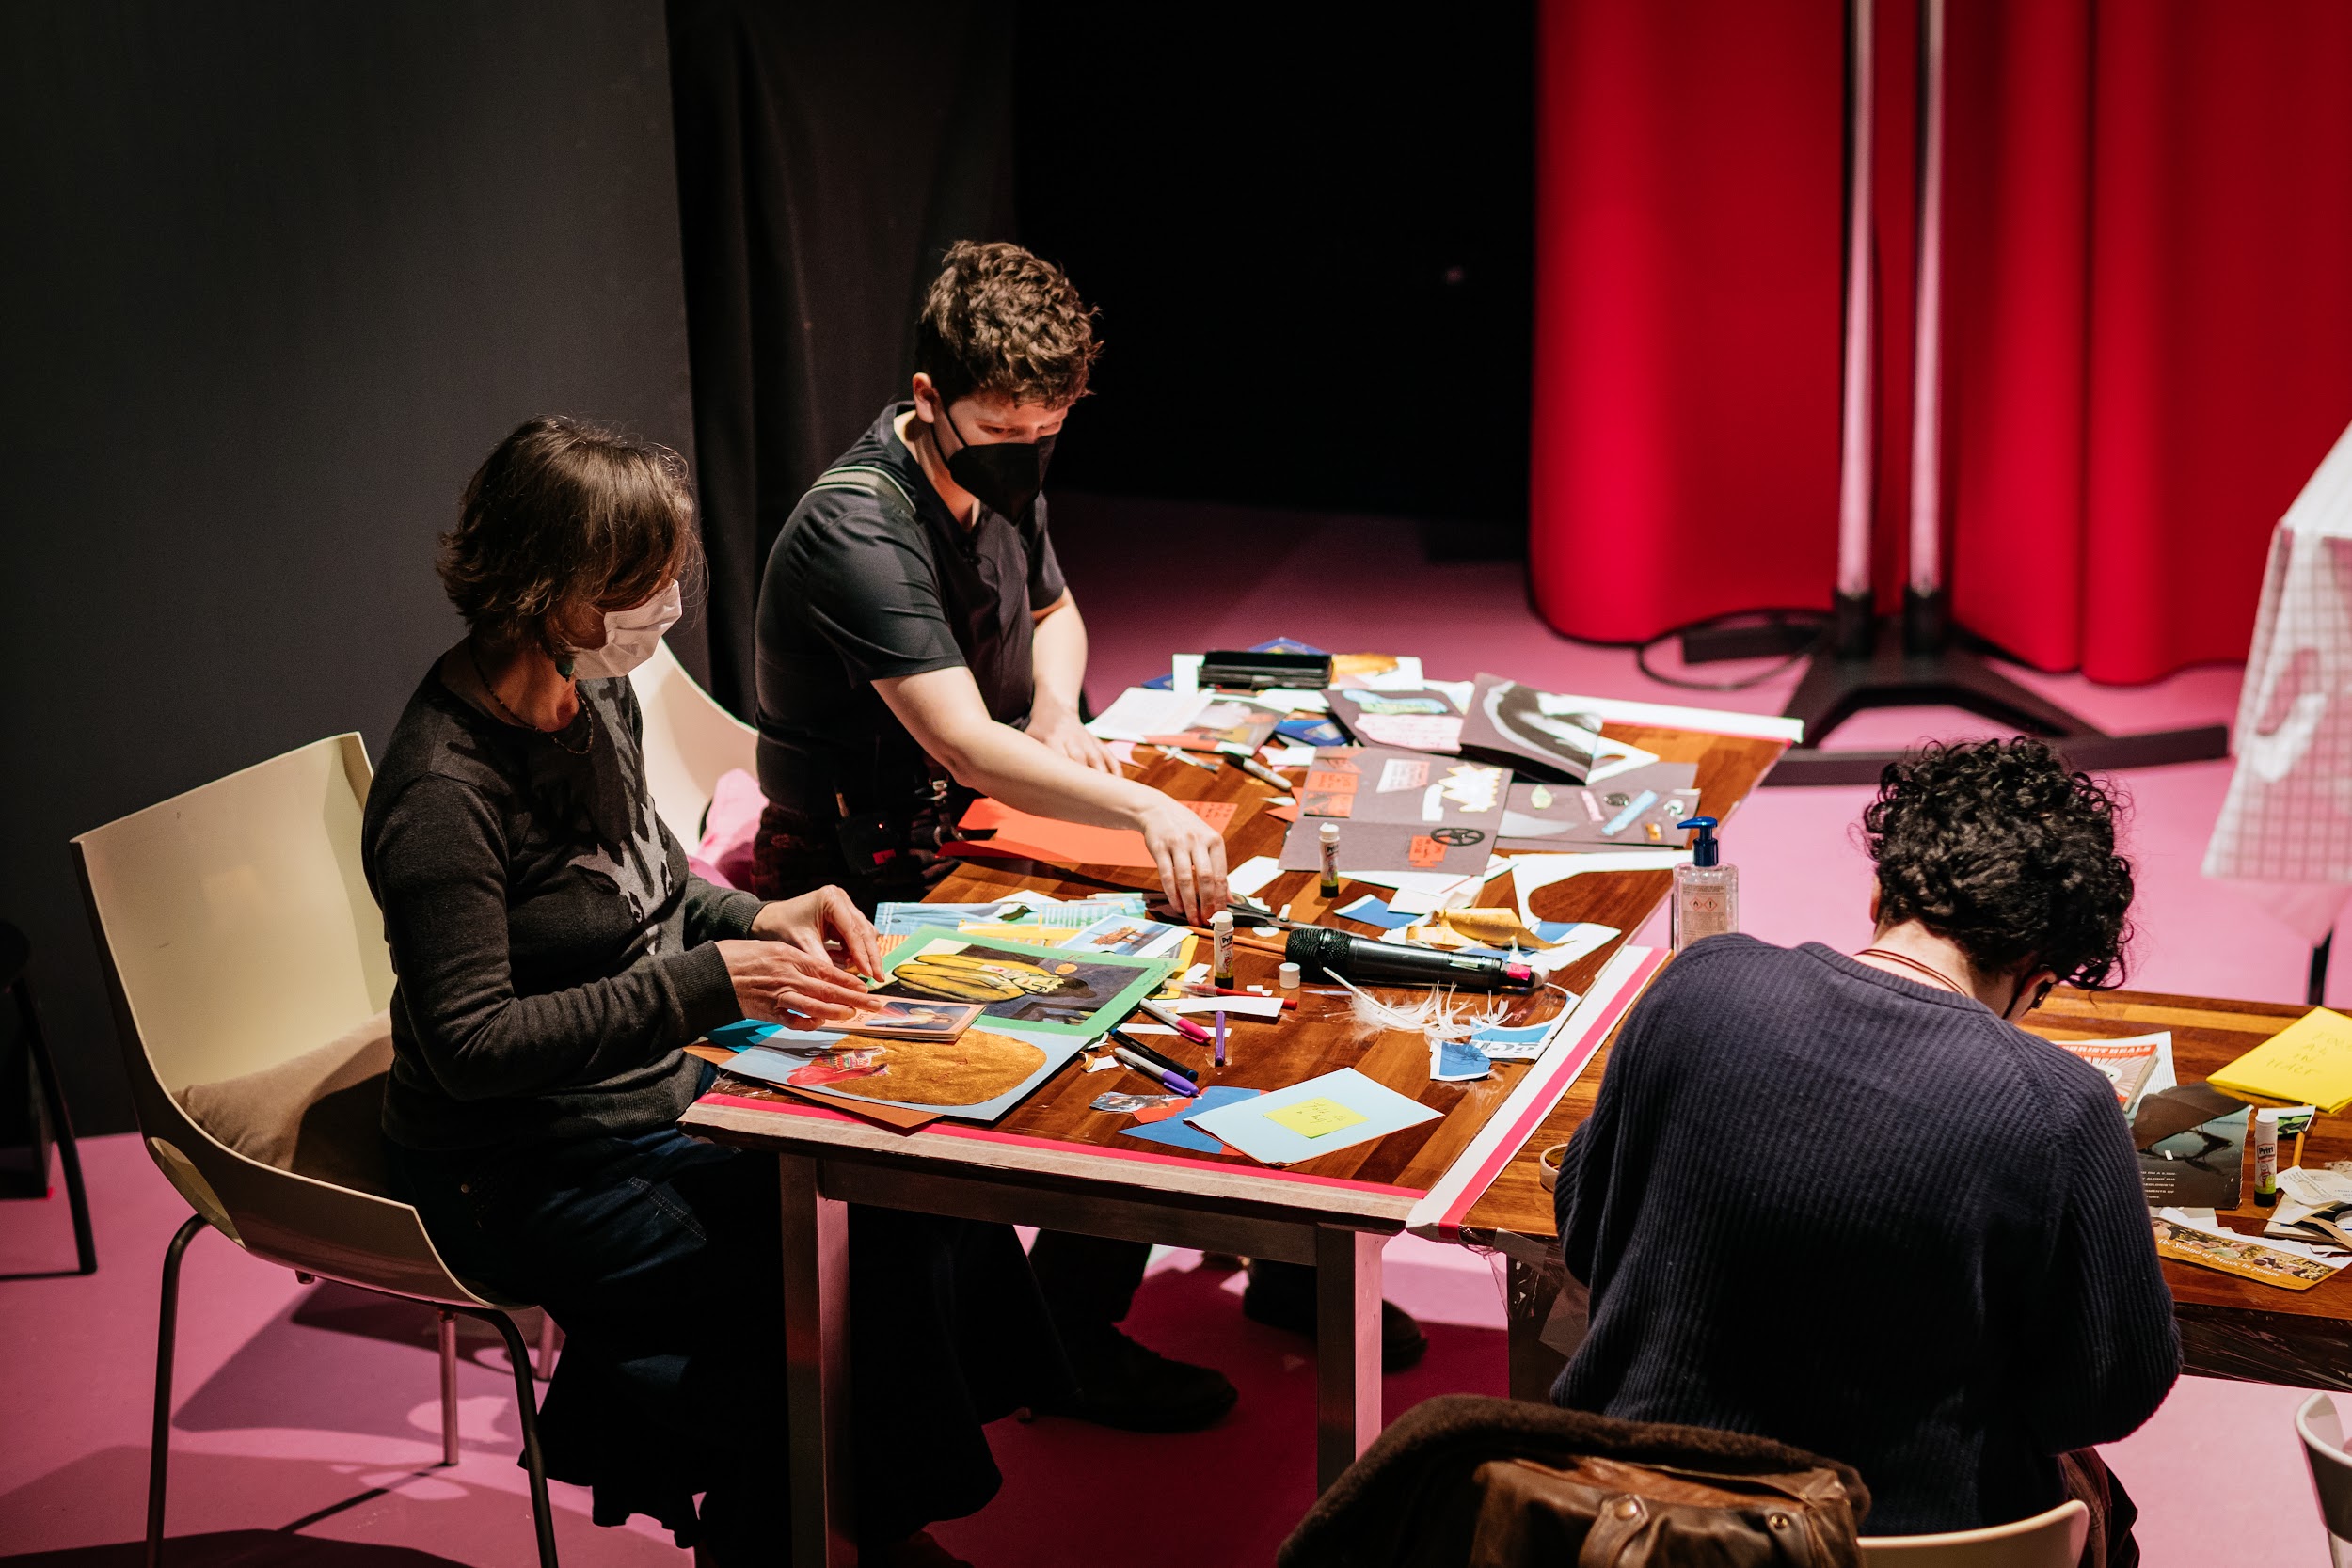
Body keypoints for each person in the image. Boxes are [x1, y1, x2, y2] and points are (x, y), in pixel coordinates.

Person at [367, 416, 1068, 1568]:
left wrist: (759, 917)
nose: (666, 607)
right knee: (813, 1280)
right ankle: (807, 1519)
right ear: (553, 589)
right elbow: (471, 1045)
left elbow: (650, 891)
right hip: (518, 1163)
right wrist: (706, 983)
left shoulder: (588, 695)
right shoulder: (443, 793)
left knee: (911, 1189)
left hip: (650, 1102)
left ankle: (853, 1518)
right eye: (639, 585)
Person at [1549, 738, 2178, 1563]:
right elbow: (2106, 1394)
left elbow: (1589, 1234)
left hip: (1640, 1523)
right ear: (2038, 973)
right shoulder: (2060, 1106)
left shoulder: (1695, 984)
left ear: (1882, 886)